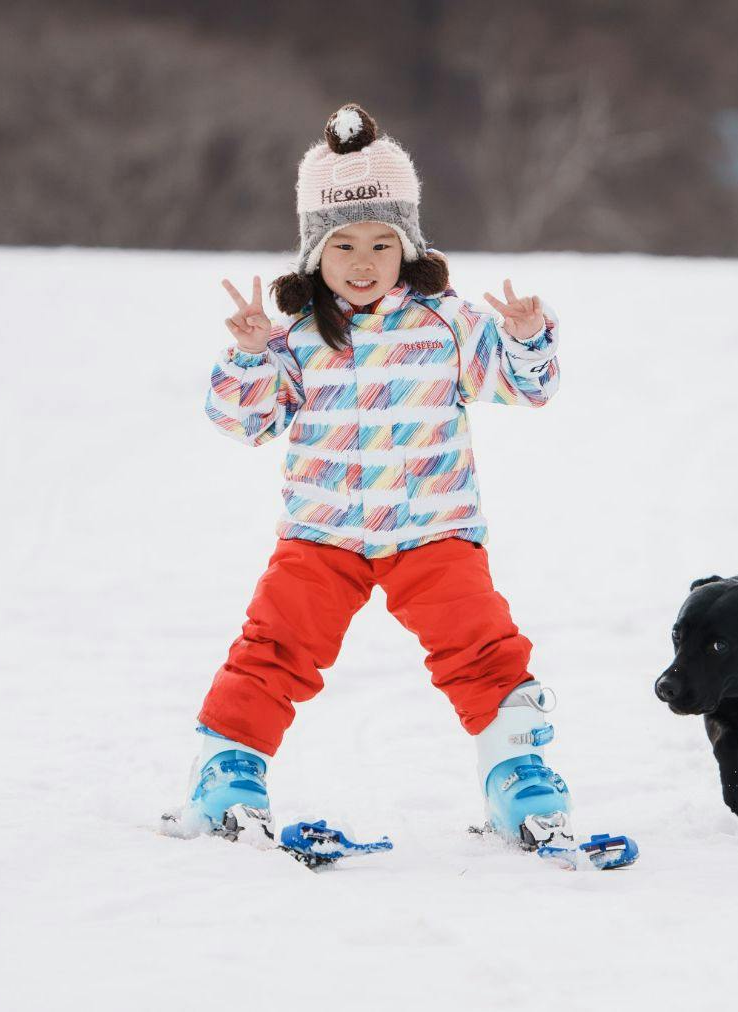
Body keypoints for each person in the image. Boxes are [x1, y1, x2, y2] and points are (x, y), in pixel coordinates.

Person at [179, 103, 574, 853]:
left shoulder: (446, 323)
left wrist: (526, 338)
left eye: (382, 244)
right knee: (276, 644)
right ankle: (228, 770)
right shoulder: (294, 336)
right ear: (314, 254)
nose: (363, 262)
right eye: (344, 245)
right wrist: (250, 358)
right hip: (323, 534)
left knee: (482, 645)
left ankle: (517, 775)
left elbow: (525, 385)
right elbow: (243, 422)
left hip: (433, 531)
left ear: (409, 248)